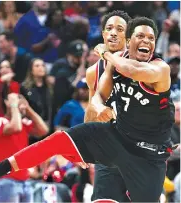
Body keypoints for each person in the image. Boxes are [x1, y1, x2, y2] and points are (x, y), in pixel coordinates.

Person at [0, 17, 175, 202]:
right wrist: (95, 119)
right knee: (59, 139)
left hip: (148, 156)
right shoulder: (108, 66)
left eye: (151, 38)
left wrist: (107, 53)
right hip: (117, 139)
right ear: (130, 41)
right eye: (141, 36)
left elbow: (132, 69)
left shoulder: (159, 68)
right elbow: (98, 97)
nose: (146, 41)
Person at [84, 10, 131, 202]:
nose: (113, 33)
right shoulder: (92, 72)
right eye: (109, 29)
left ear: (128, 38)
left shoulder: (139, 64)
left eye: (119, 29)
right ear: (103, 35)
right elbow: (90, 111)